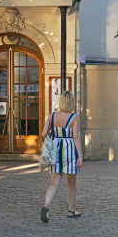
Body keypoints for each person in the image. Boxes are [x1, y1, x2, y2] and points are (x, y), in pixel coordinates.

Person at [40, 90, 83, 223]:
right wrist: (80, 155)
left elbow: (43, 133)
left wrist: (48, 145)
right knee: (71, 183)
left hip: (55, 149)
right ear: (71, 102)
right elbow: (75, 136)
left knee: (54, 183)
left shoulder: (52, 116)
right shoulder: (74, 117)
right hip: (70, 150)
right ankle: (71, 210)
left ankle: (46, 205)